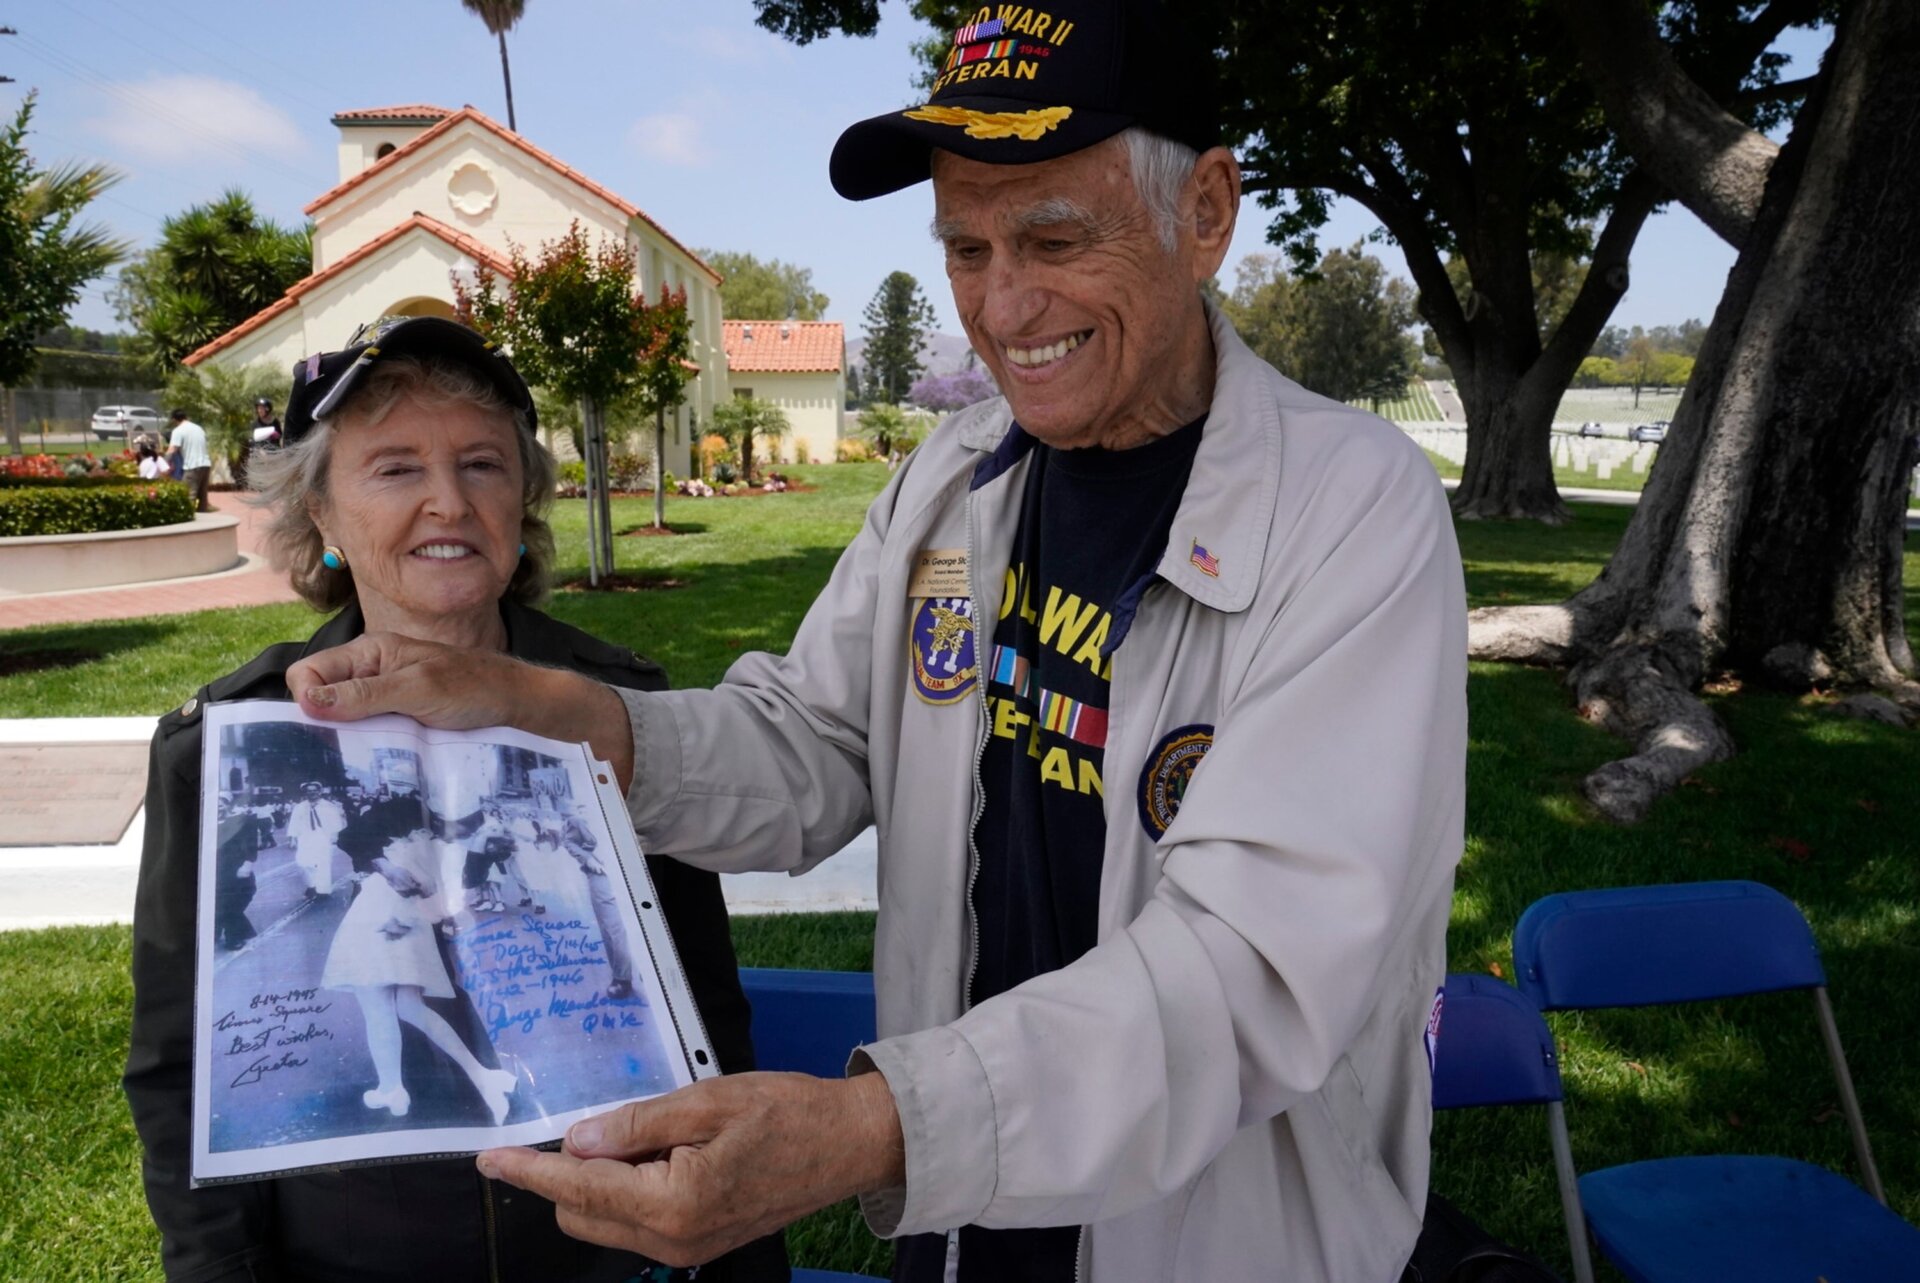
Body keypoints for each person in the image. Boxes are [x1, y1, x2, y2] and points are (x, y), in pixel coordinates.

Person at [287, 4, 1467, 1278]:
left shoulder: (1351, 508)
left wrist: (873, 1126)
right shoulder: (954, 482)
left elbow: (1253, 967)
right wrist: (559, 713)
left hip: (1215, 1236)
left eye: (1054, 237)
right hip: (968, 1219)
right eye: (965, 246)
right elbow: (813, 737)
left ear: (1208, 215)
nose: (1004, 304)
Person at [124, 315, 785, 1283]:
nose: (448, 501)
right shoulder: (222, 740)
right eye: (395, 469)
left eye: (482, 464)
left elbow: (704, 1018)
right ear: (322, 515)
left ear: (523, 500)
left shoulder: (619, 711)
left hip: (601, 1255)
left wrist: (734, 1257)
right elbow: (181, 1067)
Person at [288, 780, 345, 898]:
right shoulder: (300, 807)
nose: (312, 793)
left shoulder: (328, 806)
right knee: (302, 862)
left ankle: (323, 891)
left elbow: (336, 822)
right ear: (305, 793)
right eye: (309, 791)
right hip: (305, 837)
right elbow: (294, 822)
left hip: (322, 837)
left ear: (319, 792)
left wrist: (334, 836)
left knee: (322, 864)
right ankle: (312, 885)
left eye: (314, 790)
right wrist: (293, 838)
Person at [166, 409, 213, 513]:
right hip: (205, 465)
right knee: (202, 497)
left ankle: (189, 521)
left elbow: (172, 449)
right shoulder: (198, 428)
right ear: (186, 417)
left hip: (192, 466)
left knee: (188, 495)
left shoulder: (178, 431)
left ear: (174, 420)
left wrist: (164, 464)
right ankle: (203, 523)